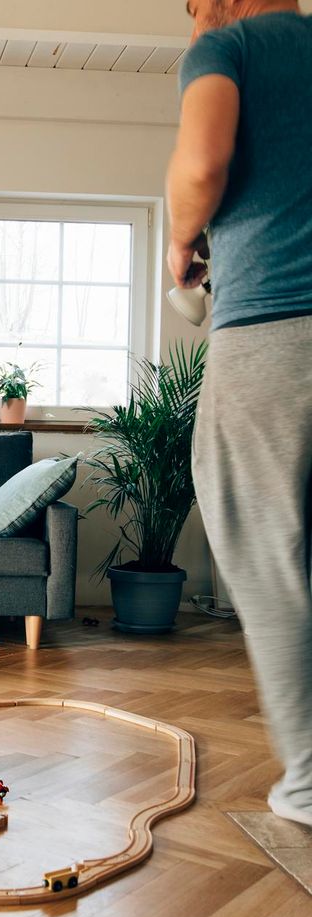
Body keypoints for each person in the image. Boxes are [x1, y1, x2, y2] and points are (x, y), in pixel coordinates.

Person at [167, 0, 312, 826]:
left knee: (262, 543)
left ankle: (311, 785)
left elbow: (201, 162)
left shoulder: (227, 47)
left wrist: (182, 243)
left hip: (270, 329)